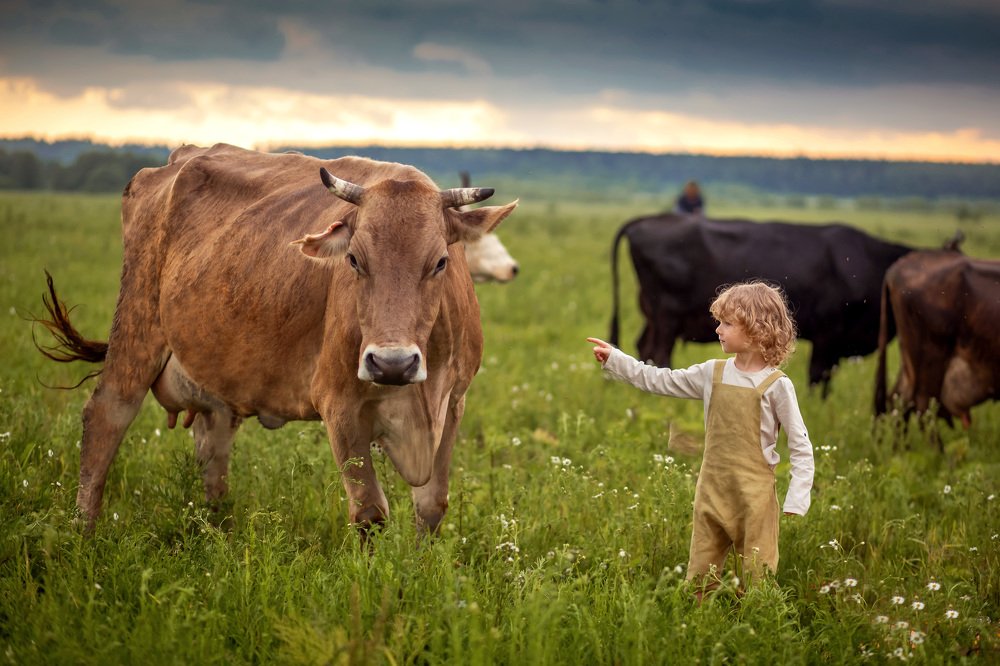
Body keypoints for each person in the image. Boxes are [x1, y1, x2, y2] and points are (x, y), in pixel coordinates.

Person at [586, 280, 814, 597]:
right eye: (719, 321)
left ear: (756, 329)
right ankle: (698, 621)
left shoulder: (776, 385)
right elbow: (659, 380)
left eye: (727, 323)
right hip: (712, 487)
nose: (718, 329)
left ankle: (759, 624)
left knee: (758, 572)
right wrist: (617, 360)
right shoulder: (712, 373)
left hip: (754, 495)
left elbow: (801, 446)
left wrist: (798, 498)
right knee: (701, 570)